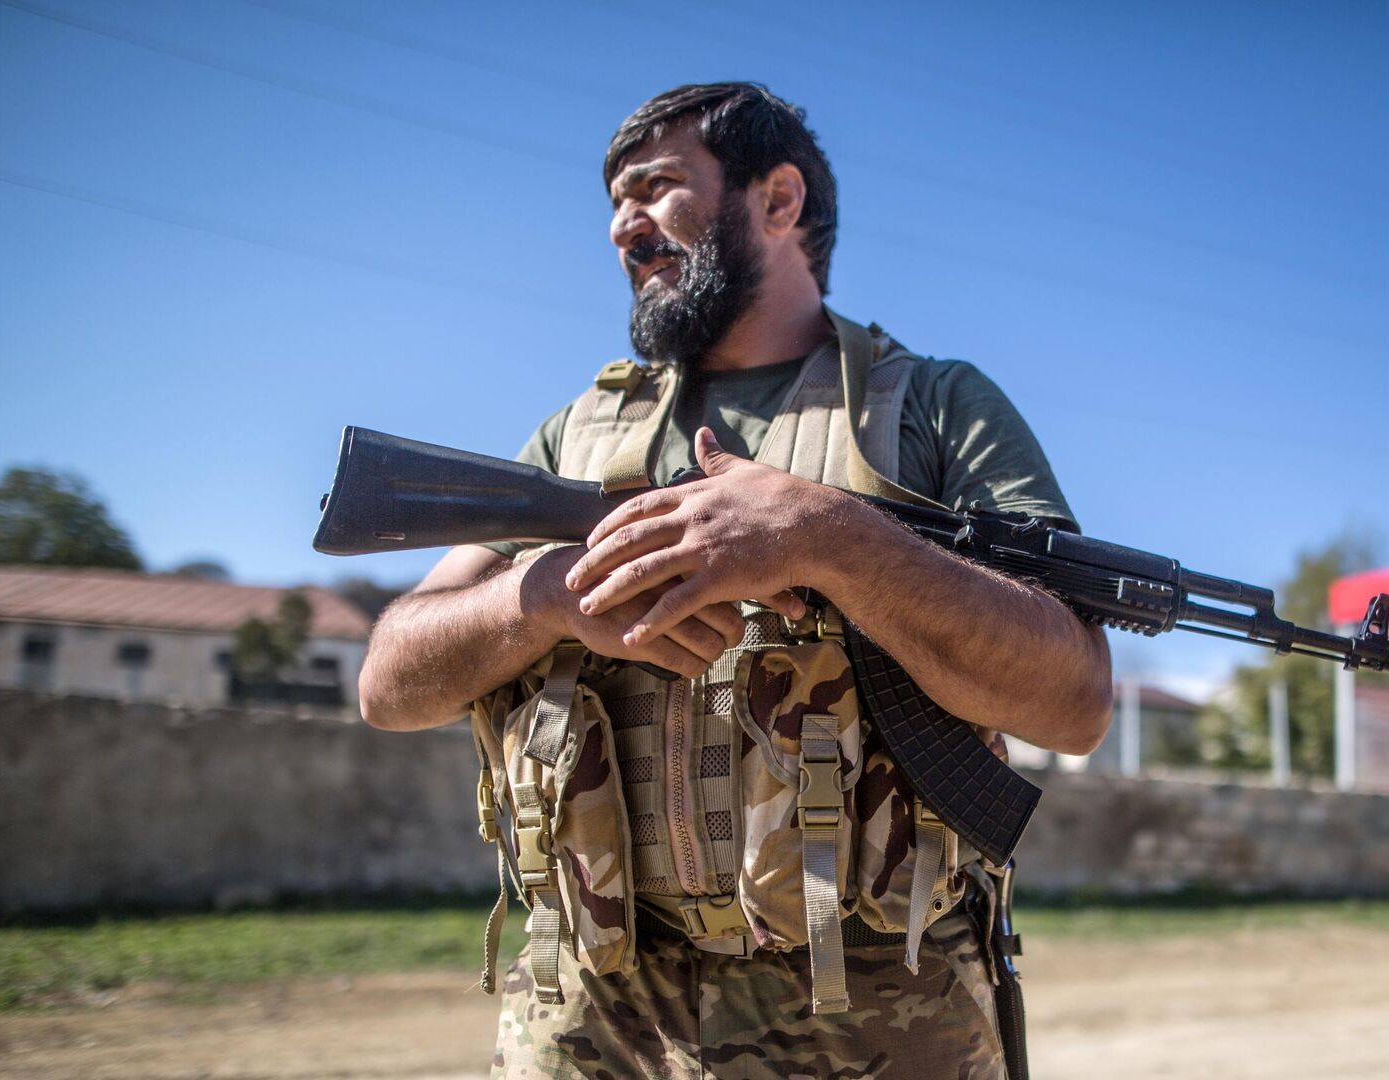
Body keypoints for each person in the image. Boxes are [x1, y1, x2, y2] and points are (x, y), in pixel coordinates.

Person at [358, 82, 1111, 1079]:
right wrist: (541, 598)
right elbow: (387, 683)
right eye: (614, 205)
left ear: (779, 200)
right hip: (591, 1018)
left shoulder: (926, 408)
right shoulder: (575, 438)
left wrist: (825, 534)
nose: (624, 227)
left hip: (874, 1019)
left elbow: (1074, 700)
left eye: (657, 188)